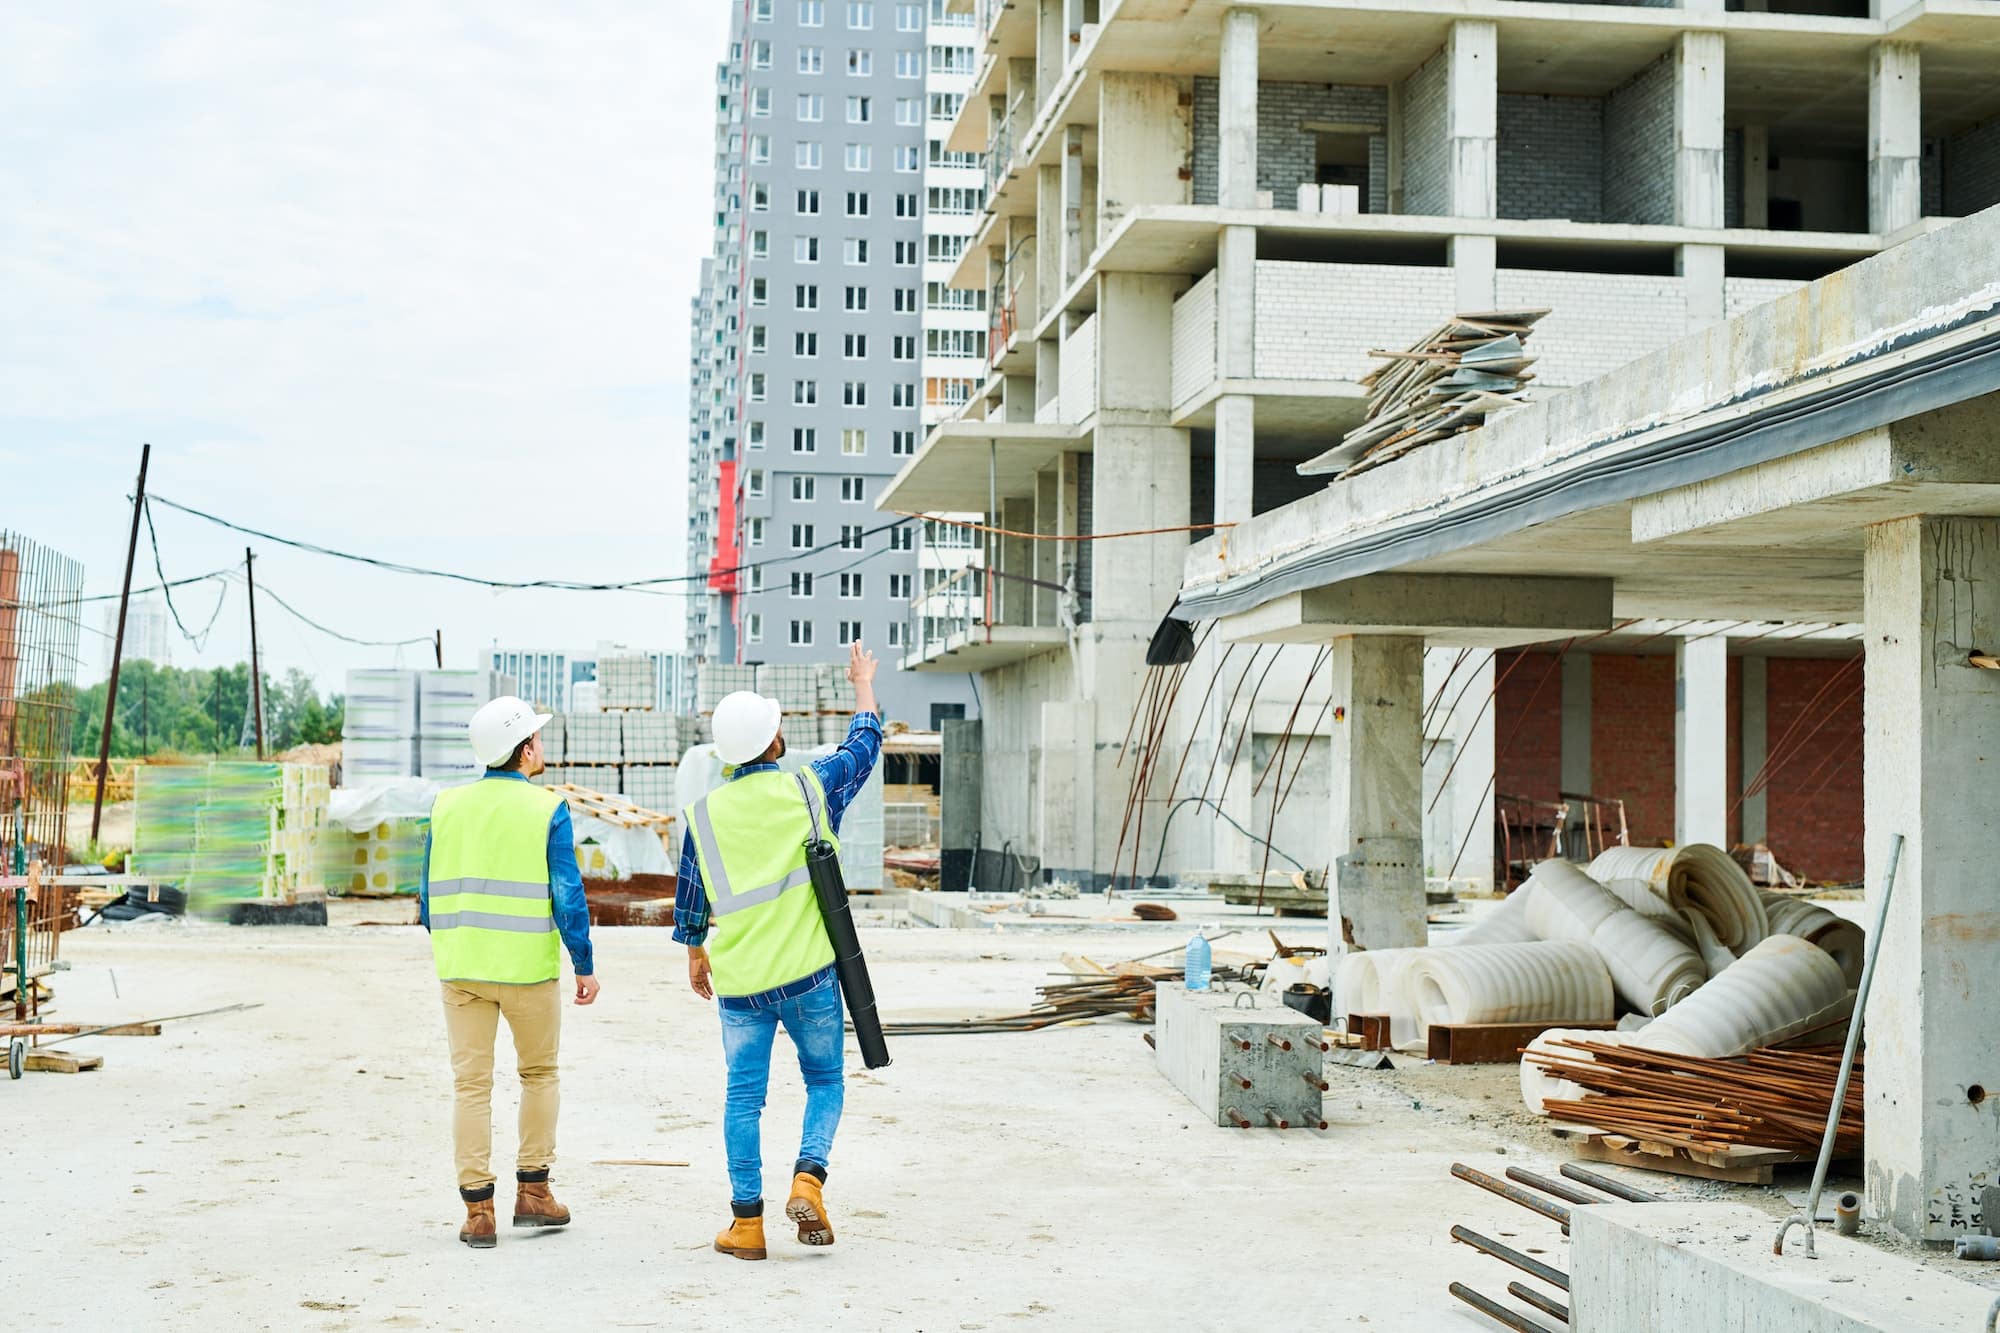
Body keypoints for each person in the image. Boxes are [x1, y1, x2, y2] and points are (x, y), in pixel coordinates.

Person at [676, 640, 882, 1261]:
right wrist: (862, 686)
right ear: (772, 742)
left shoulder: (704, 815)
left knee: (744, 1099)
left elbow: (690, 901)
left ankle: (746, 1226)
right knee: (824, 1081)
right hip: (812, 975)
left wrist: (694, 954)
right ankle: (808, 1179)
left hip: (741, 983)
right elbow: (863, 749)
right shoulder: (808, 788)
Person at [421, 695, 599, 1249]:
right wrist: (584, 962)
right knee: (538, 1075)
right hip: (527, 971)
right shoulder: (548, 808)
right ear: (523, 749)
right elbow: (568, 895)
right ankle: (534, 1193)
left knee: (470, 1086)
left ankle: (478, 1214)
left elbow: (426, 896)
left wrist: (456, 942)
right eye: (537, 738)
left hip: (462, 970)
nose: (542, 746)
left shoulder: (446, 806)